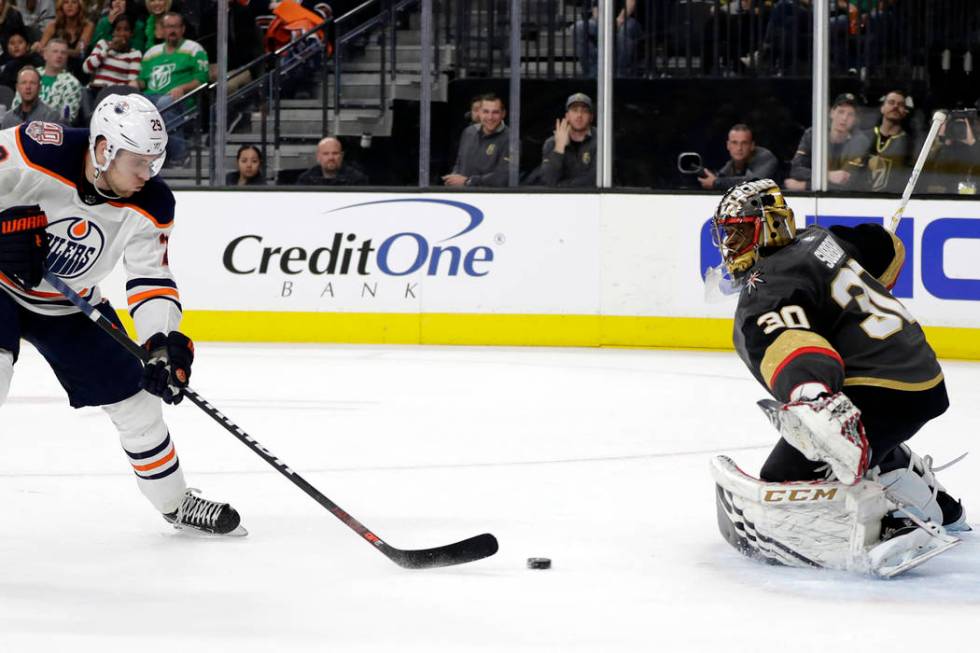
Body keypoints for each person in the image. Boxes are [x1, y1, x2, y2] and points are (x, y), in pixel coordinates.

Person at [0, 93, 243, 536]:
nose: (148, 173)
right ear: (103, 149)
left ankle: (176, 504)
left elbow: (150, 280)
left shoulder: (153, 202)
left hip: (70, 304)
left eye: (154, 161)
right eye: (139, 162)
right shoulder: (38, 148)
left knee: (138, 406)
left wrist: (160, 345)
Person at [708, 178, 967, 574]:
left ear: (771, 225)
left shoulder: (767, 286)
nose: (731, 247)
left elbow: (791, 343)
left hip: (880, 388)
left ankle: (891, 526)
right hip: (920, 375)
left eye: (741, 232)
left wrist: (814, 396)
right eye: (727, 235)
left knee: (787, 478)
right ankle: (932, 499)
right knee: (855, 444)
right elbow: (884, 247)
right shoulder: (819, 239)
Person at [136, 11, 207, 163]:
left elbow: (202, 80)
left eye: (175, 27)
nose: (172, 31)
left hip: (182, 100)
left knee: (165, 103)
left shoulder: (194, 49)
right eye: (168, 27)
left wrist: (182, 88)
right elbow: (142, 81)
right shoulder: (151, 53)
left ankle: (179, 155)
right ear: (162, 30)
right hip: (151, 97)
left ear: (183, 29)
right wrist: (133, 84)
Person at [784, 92, 870, 192]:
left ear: (855, 120)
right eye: (841, 112)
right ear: (832, 113)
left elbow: (849, 185)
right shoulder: (813, 134)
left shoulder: (860, 142)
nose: (844, 118)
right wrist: (827, 176)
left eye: (850, 114)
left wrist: (803, 185)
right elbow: (796, 170)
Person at [443, 93, 511, 187]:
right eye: (486, 112)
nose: (490, 117)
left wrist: (468, 181)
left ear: (503, 114)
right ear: (479, 113)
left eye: (495, 112)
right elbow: (459, 163)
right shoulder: (468, 132)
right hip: (461, 197)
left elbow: (503, 177)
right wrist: (453, 179)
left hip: (490, 199)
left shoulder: (511, 139)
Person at [12, 36, 82, 123]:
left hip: (51, 129)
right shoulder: (30, 75)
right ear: (45, 54)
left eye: (63, 53)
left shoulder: (72, 83)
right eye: (55, 51)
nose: (59, 56)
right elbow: (16, 106)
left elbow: (68, 118)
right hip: (21, 124)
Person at [698, 123, 779, 191]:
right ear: (728, 145)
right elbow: (720, 177)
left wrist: (716, 183)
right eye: (734, 143)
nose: (739, 148)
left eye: (744, 143)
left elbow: (755, 183)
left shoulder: (766, 158)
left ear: (752, 146)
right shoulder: (732, 163)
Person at [539, 92, 596, 187]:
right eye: (574, 110)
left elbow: (594, 180)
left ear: (591, 117)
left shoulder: (602, 140)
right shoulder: (552, 142)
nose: (579, 115)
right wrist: (559, 148)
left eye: (585, 111)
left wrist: (560, 186)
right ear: (567, 116)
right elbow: (548, 181)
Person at [573, 0, 642, 77]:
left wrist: (619, 20)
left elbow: (631, 3)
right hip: (606, 22)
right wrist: (601, 22)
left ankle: (620, 73)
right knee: (579, 27)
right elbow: (596, 8)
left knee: (625, 28)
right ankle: (592, 72)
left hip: (629, 19)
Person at [866, 89, 912, 194]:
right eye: (891, 102)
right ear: (882, 108)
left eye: (900, 105)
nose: (895, 106)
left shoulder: (910, 145)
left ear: (905, 112)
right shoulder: (863, 137)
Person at [33, 0, 94, 79]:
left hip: (78, 66)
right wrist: (37, 47)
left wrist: (55, 51)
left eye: (74, 2)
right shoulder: (52, 25)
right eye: (66, 2)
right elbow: (41, 48)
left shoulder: (87, 26)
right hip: (56, 65)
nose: (70, 5)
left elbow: (79, 52)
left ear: (79, 6)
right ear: (61, 6)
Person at [295, 136, 368, 186]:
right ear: (318, 157)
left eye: (335, 153)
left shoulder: (357, 179)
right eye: (326, 154)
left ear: (341, 156)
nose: (331, 158)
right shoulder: (306, 179)